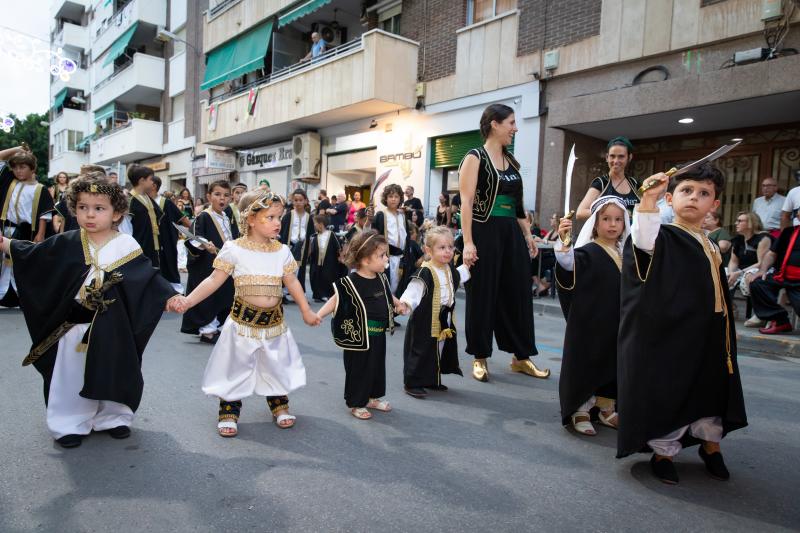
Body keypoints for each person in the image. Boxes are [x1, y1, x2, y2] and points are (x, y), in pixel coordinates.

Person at [0, 174, 179, 448]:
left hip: (113, 326)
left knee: (114, 368)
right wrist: (6, 243)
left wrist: (169, 297)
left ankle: (114, 417)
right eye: (83, 207)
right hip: (74, 325)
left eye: (99, 208)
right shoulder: (69, 241)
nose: (90, 215)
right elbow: (35, 255)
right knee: (70, 374)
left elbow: (147, 277)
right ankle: (69, 421)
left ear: (117, 212)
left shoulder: (126, 245)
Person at [617, 164, 747, 484]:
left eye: (704, 194)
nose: (694, 198)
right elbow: (643, 240)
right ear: (671, 199)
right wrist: (648, 200)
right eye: (687, 191)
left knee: (712, 392)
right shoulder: (665, 236)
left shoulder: (712, 244)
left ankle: (711, 446)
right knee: (674, 390)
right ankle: (664, 452)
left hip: (712, 332)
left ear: (714, 205)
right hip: (676, 334)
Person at [174, 191, 318, 437]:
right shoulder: (233, 249)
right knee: (235, 367)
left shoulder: (282, 251)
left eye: (279, 217)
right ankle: (229, 410)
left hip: (274, 324)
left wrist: (306, 310)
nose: (277, 222)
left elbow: (292, 282)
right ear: (251, 219)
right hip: (242, 324)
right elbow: (213, 280)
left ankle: (279, 405)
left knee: (276, 365)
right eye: (270, 217)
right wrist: (187, 301)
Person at [458, 104, 549, 382]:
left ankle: (521, 357)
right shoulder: (475, 157)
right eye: (511, 122)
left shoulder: (513, 163)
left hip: (511, 232)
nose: (515, 128)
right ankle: (480, 357)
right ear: (494, 124)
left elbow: (518, 207)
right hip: (485, 231)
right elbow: (467, 202)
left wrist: (527, 234)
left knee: (518, 294)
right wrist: (468, 243)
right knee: (483, 294)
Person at [554, 196, 630, 436]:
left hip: (618, 322)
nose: (612, 224)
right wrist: (564, 244)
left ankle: (606, 408)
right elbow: (568, 266)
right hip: (590, 323)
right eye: (606, 219)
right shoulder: (587, 252)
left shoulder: (626, 253)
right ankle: (581, 410)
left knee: (613, 364)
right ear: (595, 223)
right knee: (588, 365)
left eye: (618, 219)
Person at [316, 230, 402, 420]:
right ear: (365, 260)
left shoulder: (381, 278)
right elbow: (335, 299)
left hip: (378, 335)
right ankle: (356, 402)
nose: (386, 258)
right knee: (359, 369)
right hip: (359, 337)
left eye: (385, 254)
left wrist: (398, 304)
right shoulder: (350, 282)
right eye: (381, 255)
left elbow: (389, 294)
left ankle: (372, 398)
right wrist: (319, 315)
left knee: (377, 367)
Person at [397, 226, 470, 398]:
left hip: (444, 319)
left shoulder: (448, 268)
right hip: (425, 320)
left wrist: (468, 266)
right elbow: (413, 290)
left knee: (438, 349)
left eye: (450, 247)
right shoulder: (425, 271)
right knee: (421, 350)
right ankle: (412, 382)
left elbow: (459, 276)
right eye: (442, 247)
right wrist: (405, 304)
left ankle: (430, 379)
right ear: (428, 250)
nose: (447, 251)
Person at [181, 180, 239, 344]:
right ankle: (207, 330)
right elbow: (193, 238)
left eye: (226, 195)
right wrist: (204, 243)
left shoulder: (228, 216)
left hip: (225, 265)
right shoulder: (204, 216)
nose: (222, 199)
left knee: (224, 296)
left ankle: (218, 327)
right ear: (209, 196)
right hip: (207, 267)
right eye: (217, 194)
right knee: (209, 298)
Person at [0, 147, 56, 307]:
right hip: (5, 228)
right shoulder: (9, 181)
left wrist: (41, 234)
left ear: (32, 168)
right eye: (16, 167)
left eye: (23, 167)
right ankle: (4, 296)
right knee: (4, 264)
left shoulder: (40, 189)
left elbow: (44, 214)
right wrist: (17, 149)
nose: (18, 170)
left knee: (22, 263)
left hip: (27, 231)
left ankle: (22, 296)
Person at [748, 219, 800, 334]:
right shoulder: (789, 232)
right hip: (783, 275)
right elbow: (771, 254)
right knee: (758, 283)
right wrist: (762, 270)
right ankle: (780, 320)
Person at [576, 137, 639, 220]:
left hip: (633, 233)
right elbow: (580, 213)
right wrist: (611, 214)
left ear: (629, 158)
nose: (616, 161)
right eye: (612, 156)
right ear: (606, 157)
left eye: (621, 156)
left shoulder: (635, 184)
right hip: (607, 232)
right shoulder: (601, 183)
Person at [727, 211, 772, 327]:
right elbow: (733, 261)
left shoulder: (763, 238)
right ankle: (727, 308)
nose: (736, 223)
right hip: (741, 270)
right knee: (719, 273)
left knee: (750, 275)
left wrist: (738, 273)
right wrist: (732, 272)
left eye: (740, 221)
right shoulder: (738, 239)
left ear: (751, 223)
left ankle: (760, 313)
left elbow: (761, 263)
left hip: (764, 269)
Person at [372, 183, 415, 297]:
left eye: (396, 196)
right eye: (390, 196)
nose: (393, 199)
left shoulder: (402, 216)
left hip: (401, 258)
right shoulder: (381, 215)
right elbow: (374, 236)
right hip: (387, 257)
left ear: (400, 198)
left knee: (398, 287)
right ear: (385, 198)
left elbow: (406, 237)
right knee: (385, 287)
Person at [151, 175, 190, 292]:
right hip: (151, 242)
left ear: (153, 186)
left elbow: (183, 219)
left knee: (168, 263)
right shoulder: (143, 201)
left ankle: (175, 291)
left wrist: (197, 230)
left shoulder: (166, 203)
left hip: (166, 240)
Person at [127, 165, 164, 270]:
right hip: (138, 250)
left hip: (152, 246)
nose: (153, 182)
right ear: (142, 180)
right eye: (150, 179)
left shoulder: (147, 197)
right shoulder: (130, 201)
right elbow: (125, 230)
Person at [279, 189, 314, 295]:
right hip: (290, 246)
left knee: (300, 271)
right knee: (286, 270)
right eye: (296, 200)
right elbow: (282, 231)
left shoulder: (309, 217)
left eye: (300, 200)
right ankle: (283, 293)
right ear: (292, 201)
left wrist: (309, 249)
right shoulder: (289, 215)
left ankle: (298, 293)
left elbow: (311, 235)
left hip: (302, 247)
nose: (298, 202)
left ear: (305, 201)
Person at [308, 214, 345, 302]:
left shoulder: (331, 234)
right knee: (316, 276)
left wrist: (341, 257)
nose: (314, 225)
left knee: (328, 277)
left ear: (321, 224)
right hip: (316, 261)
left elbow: (338, 247)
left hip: (330, 261)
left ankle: (327, 294)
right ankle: (318, 295)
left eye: (315, 223)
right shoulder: (314, 236)